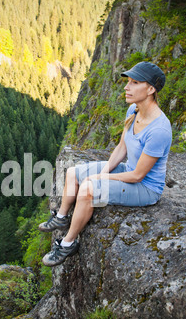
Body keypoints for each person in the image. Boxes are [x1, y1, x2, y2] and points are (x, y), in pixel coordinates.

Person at [39, 61, 172, 267]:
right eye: (128, 81)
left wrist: (100, 178)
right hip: (128, 171)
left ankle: (68, 243)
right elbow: (121, 148)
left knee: (88, 190)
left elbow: (138, 176)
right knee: (74, 173)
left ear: (151, 89)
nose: (127, 87)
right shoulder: (133, 111)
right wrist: (104, 170)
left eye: (135, 82)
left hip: (146, 188)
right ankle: (62, 217)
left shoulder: (159, 130)